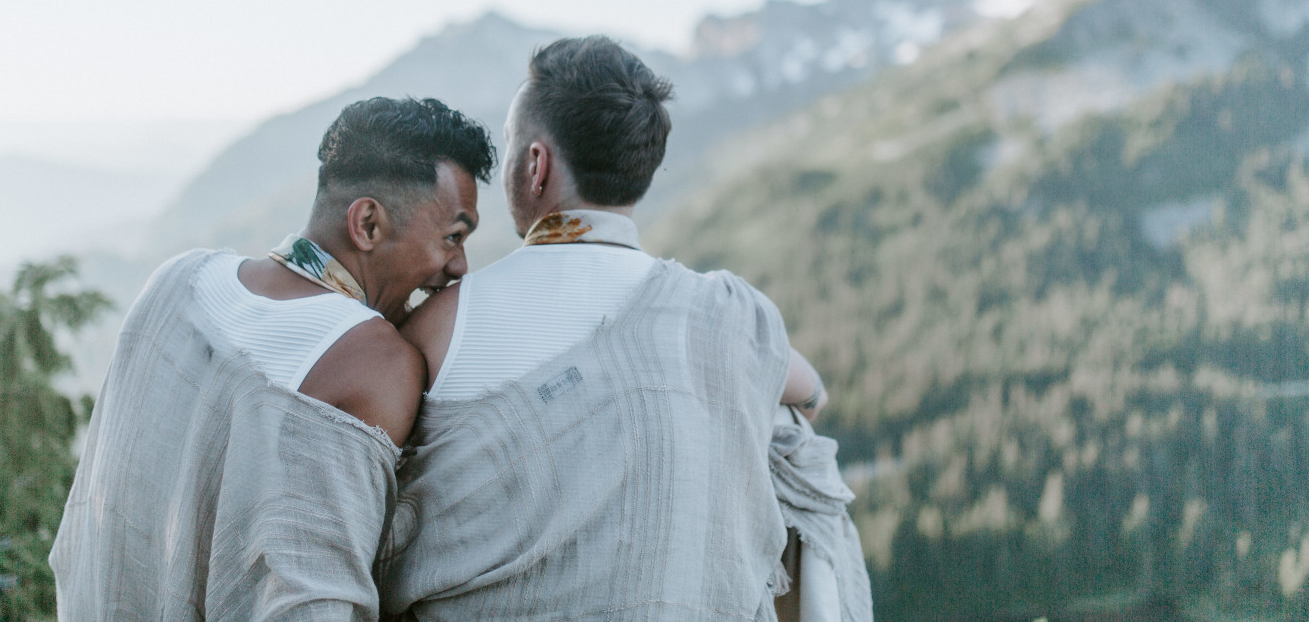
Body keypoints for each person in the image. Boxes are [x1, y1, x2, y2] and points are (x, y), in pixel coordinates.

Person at [383, 37, 859, 621]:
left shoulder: (439, 326)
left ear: (535, 166)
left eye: (510, 145)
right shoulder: (730, 315)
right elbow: (810, 397)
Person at [50, 97, 495, 621]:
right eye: (453, 237)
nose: (460, 266)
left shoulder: (178, 280)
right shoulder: (374, 361)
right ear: (368, 224)